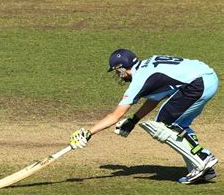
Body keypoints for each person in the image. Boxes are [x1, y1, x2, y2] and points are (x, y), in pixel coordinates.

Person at [69, 49, 219, 184]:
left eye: (117, 71)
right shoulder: (147, 66)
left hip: (197, 83)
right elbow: (155, 99)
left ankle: (202, 159)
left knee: (163, 124)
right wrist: (134, 120)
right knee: (178, 124)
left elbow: (115, 115)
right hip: (208, 79)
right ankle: (202, 169)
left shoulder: (139, 80)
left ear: (121, 69)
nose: (118, 75)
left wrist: (88, 133)